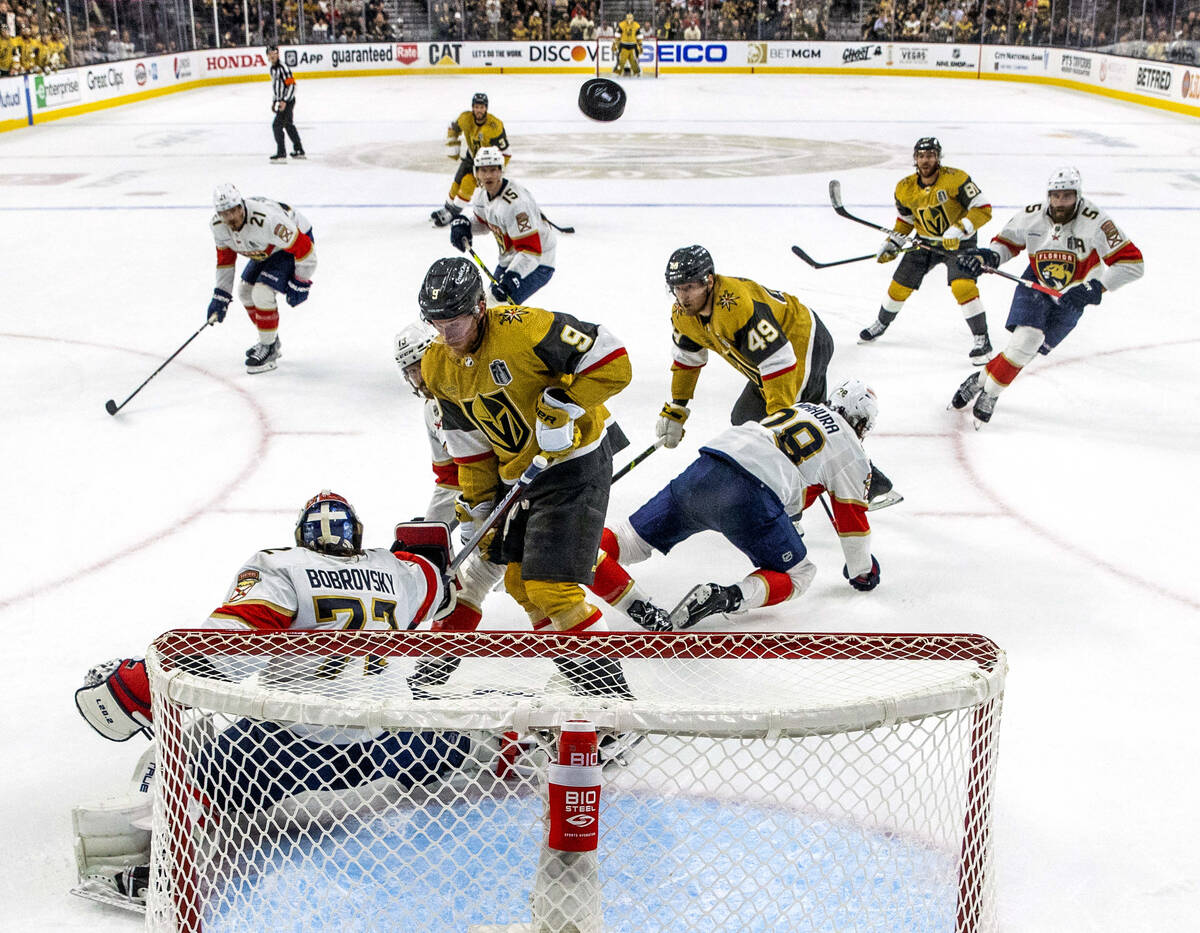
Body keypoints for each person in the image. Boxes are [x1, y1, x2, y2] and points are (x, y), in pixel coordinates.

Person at [71, 492, 463, 908]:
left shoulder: (282, 568)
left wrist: (139, 682)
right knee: (449, 739)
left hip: (294, 750)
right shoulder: (400, 571)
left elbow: (223, 650)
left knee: (190, 774)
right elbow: (441, 589)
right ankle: (481, 748)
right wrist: (422, 554)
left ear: (301, 535)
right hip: (388, 742)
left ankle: (163, 871)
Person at [415, 257, 639, 697]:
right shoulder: (436, 366)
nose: (446, 335)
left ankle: (614, 704)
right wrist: (479, 503)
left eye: (455, 321)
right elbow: (470, 445)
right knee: (520, 584)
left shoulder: (525, 327)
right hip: (524, 475)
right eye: (435, 322)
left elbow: (614, 360)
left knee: (551, 587)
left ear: (479, 307)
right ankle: (583, 678)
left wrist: (564, 403)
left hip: (577, 462)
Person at [395, 316, 672, 646]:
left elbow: (574, 400)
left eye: (419, 364)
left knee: (556, 558)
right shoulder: (437, 406)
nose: (418, 376)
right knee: (512, 576)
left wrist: (580, 445)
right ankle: (440, 665)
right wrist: (446, 528)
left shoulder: (484, 359)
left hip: (556, 467)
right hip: (501, 487)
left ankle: (637, 609)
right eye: (409, 371)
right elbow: (450, 477)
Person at [606, 379, 882, 630]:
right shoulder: (853, 453)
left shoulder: (803, 407)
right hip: (751, 495)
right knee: (799, 574)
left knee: (630, 540)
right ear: (861, 424)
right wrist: (862, 571)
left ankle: (583, 554)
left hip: (707, 466)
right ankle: (725, 597)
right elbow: (852, 524)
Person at [950, 166, 1144, 426]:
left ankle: (980, 380)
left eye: (1067, 196)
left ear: (1078, 195)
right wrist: (988, 257)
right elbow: (1006, 244)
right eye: (1055, 196)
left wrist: (1095, 288)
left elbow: (1132, 263)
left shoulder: (1097, 221)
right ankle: (991, 394)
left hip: (1074, 295)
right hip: (1036, 285)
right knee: (1026, 341)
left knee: (1026, 351)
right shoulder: (1032, 215)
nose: (1060, 202)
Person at [656, 244, 835, 449]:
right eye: (677, 288)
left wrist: (779, 419)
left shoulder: (734, 306)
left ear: (709, 281)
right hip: (771, 357)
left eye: (689, 288)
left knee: (800, 430)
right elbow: (687, 360)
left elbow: (778, 361)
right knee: (746, 420)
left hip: (802, 338)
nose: (683, 297)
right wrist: (677, 407)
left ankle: (855, 473)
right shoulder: (682, 315)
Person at [859, 137, 994, 364]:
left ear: (938, 157)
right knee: (898, 286)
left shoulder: (956, 179)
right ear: (915, 158)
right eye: (921, 155)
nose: (926, 160)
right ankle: (881, 323)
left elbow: (983, 209)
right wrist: (894, 243)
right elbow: (906, 220)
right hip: (925, 242)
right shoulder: (905, 188)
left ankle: (982, 339)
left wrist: (959, 229)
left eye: (930, 155)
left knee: (962, 286)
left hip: (959, 244)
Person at [208, 183, 317, 373]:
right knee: (244, 291)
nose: (231, 218)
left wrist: (301, 282)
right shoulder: (218, 227)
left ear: (241, 205)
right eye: (225, 214)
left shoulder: (267, 221)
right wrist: (221, 295)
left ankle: (268, 348)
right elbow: (226, 260)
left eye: (234, 211)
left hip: (291, 243)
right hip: (267, 248)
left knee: (262, 291)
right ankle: (270, 341)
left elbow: (305, 249)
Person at [449, 146, 556, 304]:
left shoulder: (516, 205)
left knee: (499, 310)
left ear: (501, 170)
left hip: (538, 262)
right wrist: (465, 226)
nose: (488, 175)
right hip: (511, 258)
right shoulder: (481, 195)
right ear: (476, 172)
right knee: (486, 306)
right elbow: (485, 224)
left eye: (493, 170)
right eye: (483, 170)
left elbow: (531, 251)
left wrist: (512, 278)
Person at [431, 92, 511, 227]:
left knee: (467, 183)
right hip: (471, 156)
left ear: (486, 108)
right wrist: (453, 142)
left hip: (485, 164)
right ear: (472, 107)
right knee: (457, 181)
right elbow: (454, 128)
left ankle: (453, 213)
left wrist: (496, 170)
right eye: (476, 107)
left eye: (482, 107)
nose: (479, 110)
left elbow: (506, 153)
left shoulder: (494, 126)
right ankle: (447, 208)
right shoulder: (465, 118)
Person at [267, 43, 305, 162]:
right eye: (270, 54)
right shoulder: (272, 69)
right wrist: (275, 101)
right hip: (283, 101)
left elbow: (292, 85)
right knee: (288, 124)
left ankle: (281, 153)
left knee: (277, 125)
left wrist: (284, 101)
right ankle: (299, 150)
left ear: (278, 54)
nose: (272, 56)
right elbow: (277, 87)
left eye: (274, 53)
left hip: (288, 101)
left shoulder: (283, 68)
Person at [612, 12, 643, 76]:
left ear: (633, 18)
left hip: (633, 45)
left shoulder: (636, 25)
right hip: (623, 45)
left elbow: (639, 36)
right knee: (621, 60)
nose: (629, 20)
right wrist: (615, 44)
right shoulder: (622, 25)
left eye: (630, 18)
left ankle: (637, 72)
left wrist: (640, 45)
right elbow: (617, 36)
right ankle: (617, 72)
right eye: (628, 18)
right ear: (626, 18)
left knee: (634, 61)